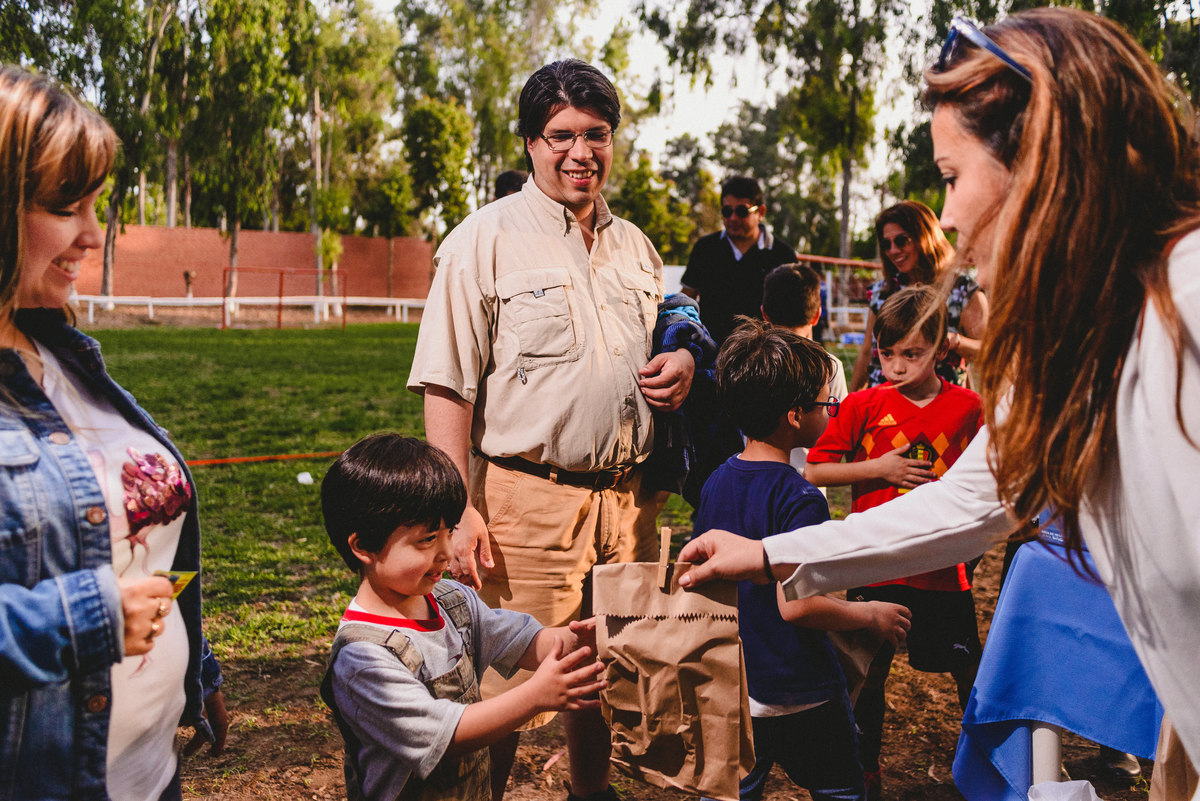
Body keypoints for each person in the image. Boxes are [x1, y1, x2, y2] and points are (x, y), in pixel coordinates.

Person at [678, 9, 1200, 798]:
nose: (947, 217)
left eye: (953, 177)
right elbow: (969, 502)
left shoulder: (1186, 305)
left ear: (1043, 161)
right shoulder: (1073, 334)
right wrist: (769, 556)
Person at [407, 59, 695, 801]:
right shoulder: (482, 239)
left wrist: (683, 364)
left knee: (603, 676)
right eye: (561, 135)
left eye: (596, 135)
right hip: (522, 509)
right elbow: (446, 382)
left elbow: (669, 339)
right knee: (503, 699)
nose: (580, 152)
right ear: (531, 143)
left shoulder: (638, 248)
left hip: (628, 507)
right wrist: (457, 508)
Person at [0, 66, 227, 800]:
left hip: (150, 772)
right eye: (67, 206)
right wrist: (85, 619)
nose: (93, 235)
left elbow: (131, 535)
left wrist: (200, 669)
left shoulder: (65, 356)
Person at [319, 434, 605, 801]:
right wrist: (535, 696)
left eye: (448, 532)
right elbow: (445, 733)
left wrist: (579, 640)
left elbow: (523, 641)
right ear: (363, 546)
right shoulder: (362, 658)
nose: (444, 551)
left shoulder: (451, 600)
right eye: (425, 540)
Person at [694, 319, 910, 801]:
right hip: (802, 692)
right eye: (824, 403)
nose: (831, 409)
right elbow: (797, 605)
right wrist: (867, 614)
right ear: (795, 416)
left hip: (734, 685)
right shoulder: (802, 497)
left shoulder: (714, 482)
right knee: (840, 791)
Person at [806, 287, 985, 800]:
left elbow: (986, 479)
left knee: (968, 672)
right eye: (888, 353)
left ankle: (986, 766)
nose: (897, 365)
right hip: (875, 568)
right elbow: (816, 467)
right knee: (865, 680)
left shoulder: (969, 408)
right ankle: (863, 774)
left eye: (913, 353)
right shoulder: (864, 403)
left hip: (941, 570)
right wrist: (880, 468)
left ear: (940, 350)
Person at [847, 200, 987, 392]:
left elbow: (990, 349)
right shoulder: (882, 292)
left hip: (938, 406)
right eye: (886, 244)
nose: (893, 250)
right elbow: (865, 353)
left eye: (902, 240)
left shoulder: (961, 290)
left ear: (925, 237)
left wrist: (955, 341)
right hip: (883, 403)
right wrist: (850, 404)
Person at [680, 175, 799, 346]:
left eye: (742, 211)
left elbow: (792, 314)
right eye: (727, 211)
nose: (733, 218)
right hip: (711, 352)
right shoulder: (705, 249)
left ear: (761, 212)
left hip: (763, 357)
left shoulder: (782, 255)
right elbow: (686, 299)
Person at [759, 262, 848, 479]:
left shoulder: (753, 361)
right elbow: (841, 433)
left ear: (765, 314)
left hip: (755, 483)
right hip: (810, 487)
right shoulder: (831, 367)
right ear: (817, 315)